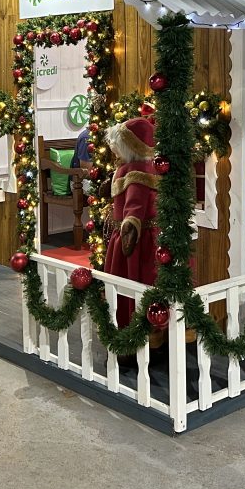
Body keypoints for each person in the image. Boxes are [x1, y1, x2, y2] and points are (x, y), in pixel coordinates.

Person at [103, 116, 160, 330]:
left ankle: (133, 328)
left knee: (134, 280)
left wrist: (131, 223)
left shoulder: (138, 170)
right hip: (127, 234)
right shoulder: (130, 166)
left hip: (136, 239)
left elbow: (136, 202)